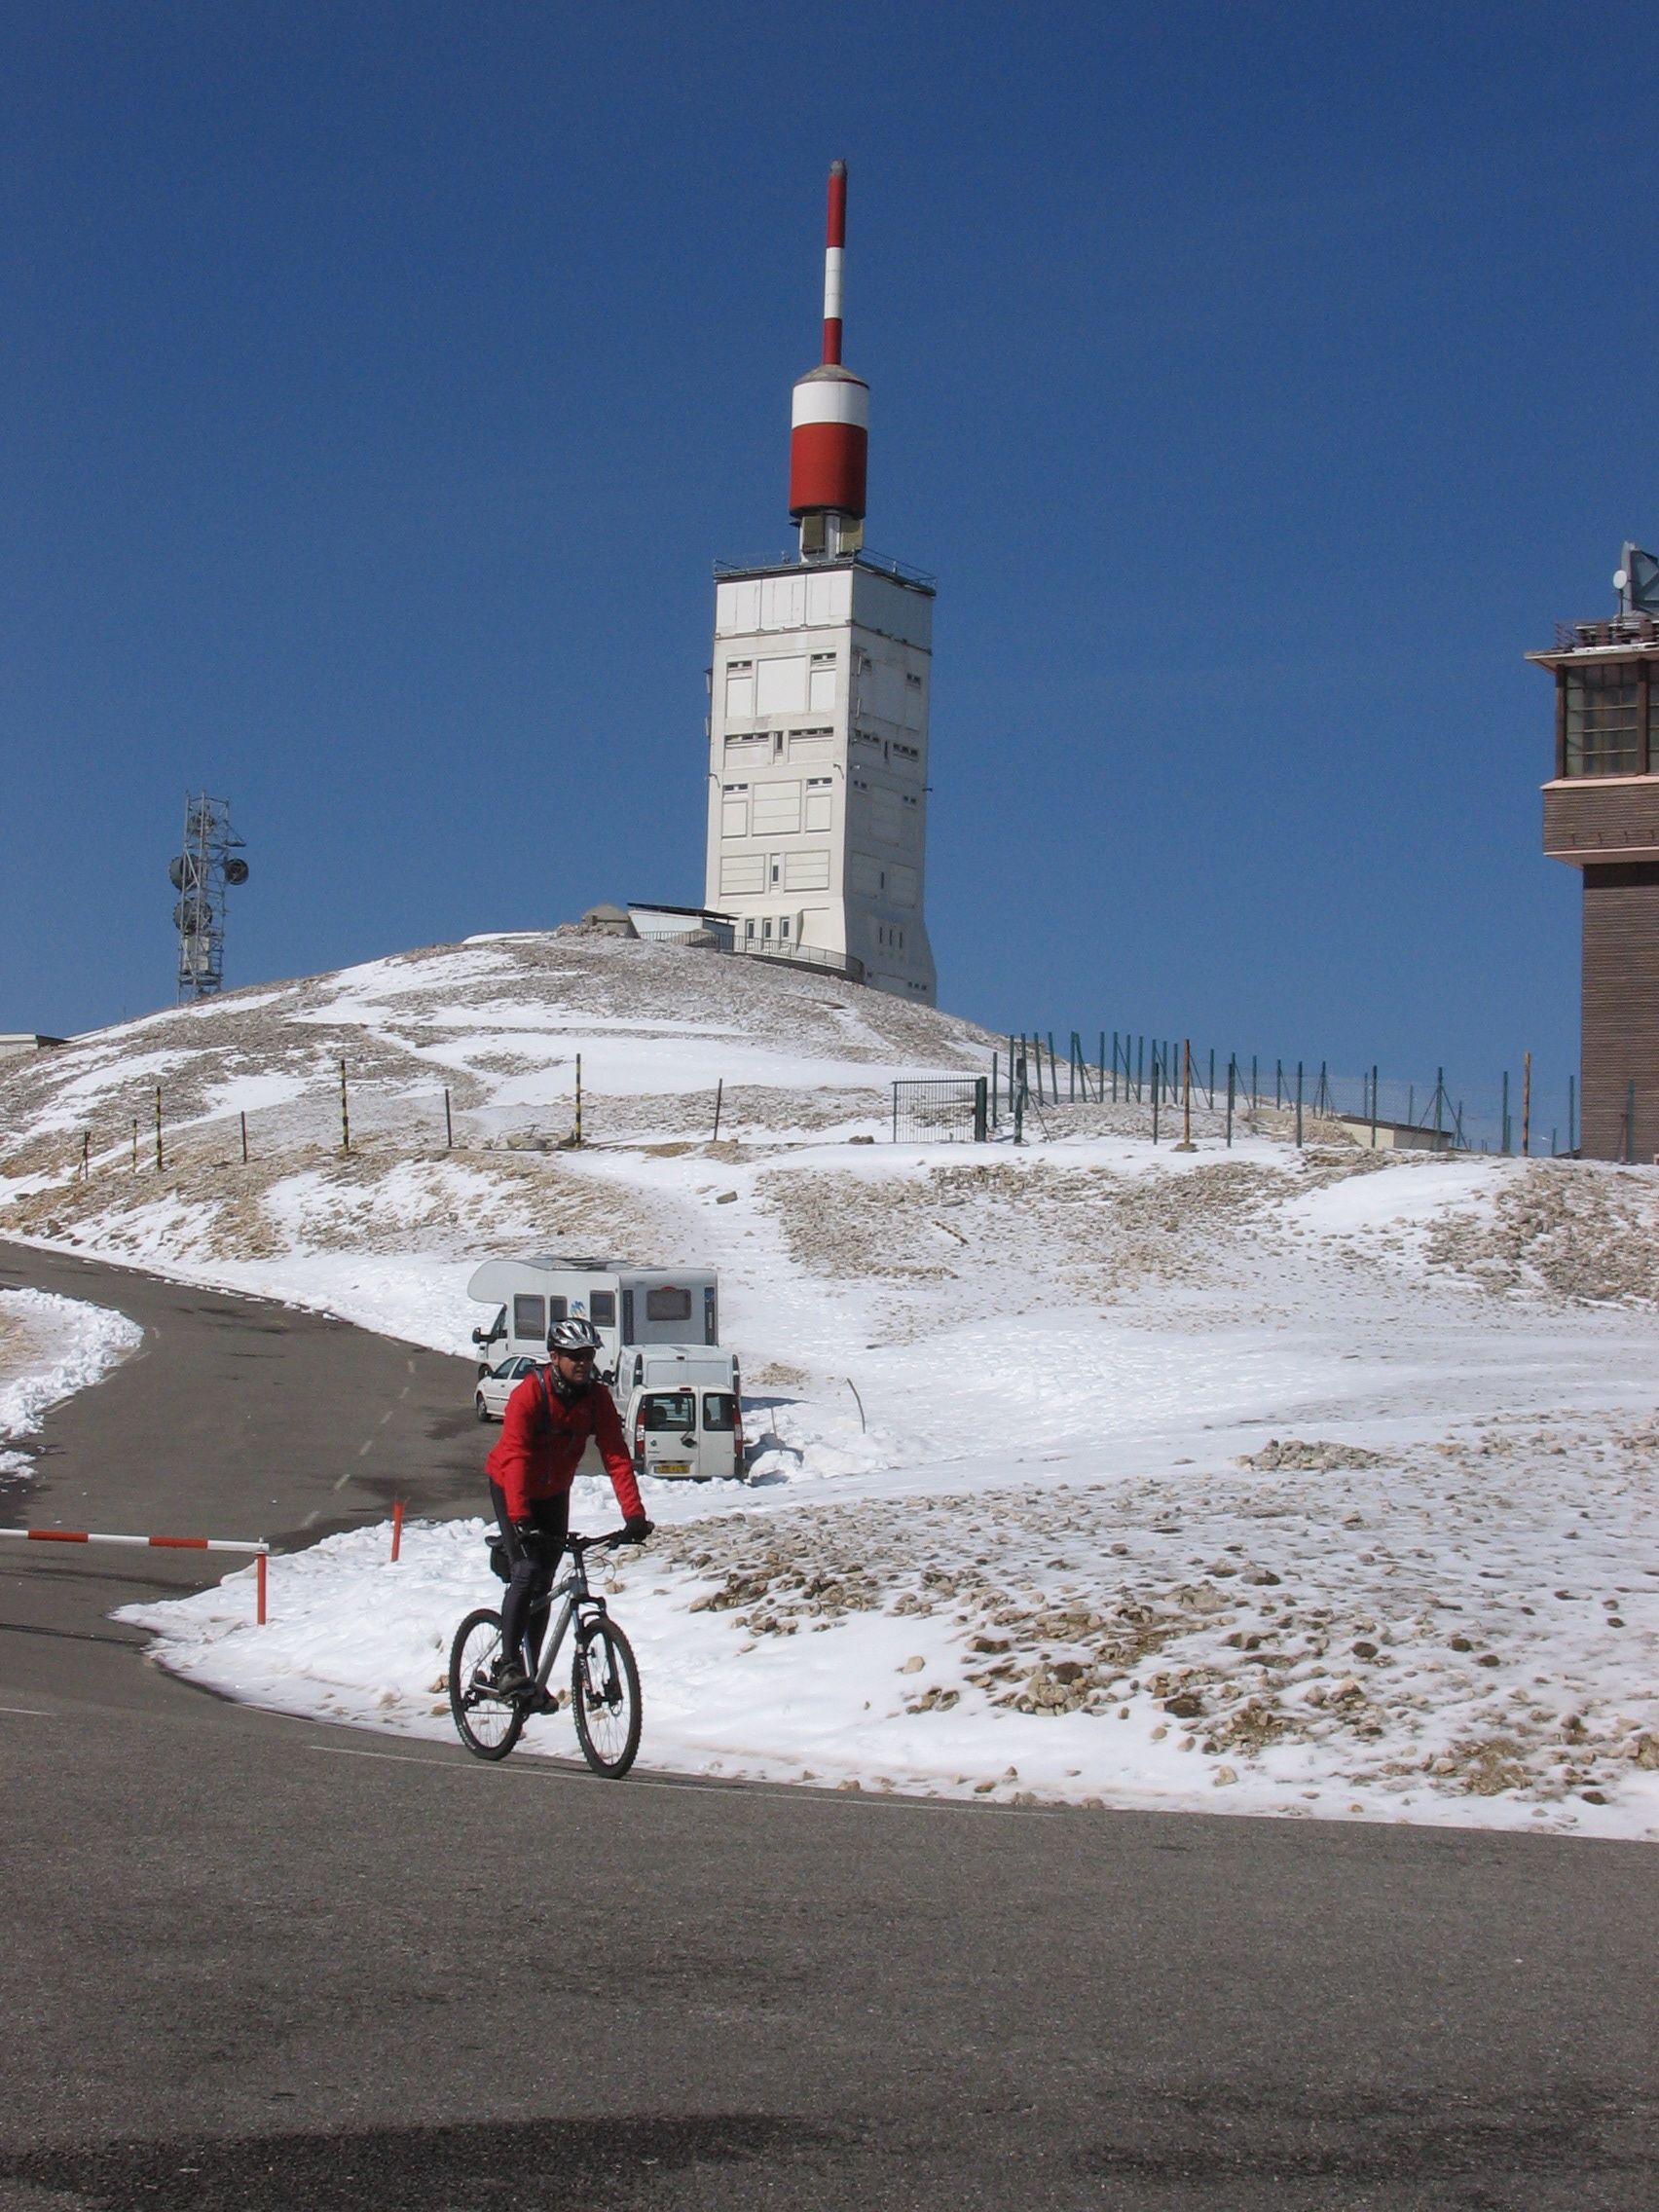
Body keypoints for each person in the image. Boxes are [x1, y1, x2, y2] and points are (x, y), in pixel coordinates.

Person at [485, 1316, 651, 1699]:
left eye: (588, 1356)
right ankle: (509, 1665)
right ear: (554, 1356)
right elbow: (515, 1458)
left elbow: (615, 1455)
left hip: (555, 1493)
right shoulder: (529, 1396)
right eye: (574, 1356)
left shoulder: (596, 1399)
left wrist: (634, 1515)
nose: (582, 1363)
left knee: (546, 1579)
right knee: (526, 1571)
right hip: (512, 1485)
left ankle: (531, 1673)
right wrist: (520, 1518)